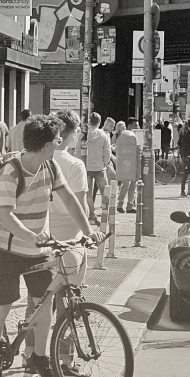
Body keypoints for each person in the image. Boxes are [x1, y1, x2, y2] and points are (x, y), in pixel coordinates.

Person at [0, 115, 94, 377]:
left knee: (45, 302)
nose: (58, 144)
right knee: (2, 307)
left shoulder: (50, 166)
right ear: (45, 145)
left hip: (39, 251)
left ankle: (40, 357)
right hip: (6, 250)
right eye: (55, 141)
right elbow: (5, 215)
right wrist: (32, 236)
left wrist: (87, 231)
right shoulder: (11, 172)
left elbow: (69, 199)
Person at [52, 111, 107, 269]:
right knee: (73, 285)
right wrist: (88, 232)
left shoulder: (39, 158)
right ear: (73, 133)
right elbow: (79, 203)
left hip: (40, 230)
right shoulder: (75, 165)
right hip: (69, 233)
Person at [84, 112, 113, 222]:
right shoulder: (104, 135)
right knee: (104, 192)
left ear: (89, 122)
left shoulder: (84, 135)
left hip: (87, 167)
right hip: (100, 168)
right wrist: (105, 163)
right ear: (99, 122)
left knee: (88, 193)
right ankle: (108, 216)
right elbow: (107, 152)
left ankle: (91, 215)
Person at [115, 120, 140, 212]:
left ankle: (130, 205)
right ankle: (120, 204)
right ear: (130, 125)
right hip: (126, 163)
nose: (137, 127)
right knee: (126, 183)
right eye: (135, 125)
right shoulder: (123, 136)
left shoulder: (135, 136)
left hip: (133, 162)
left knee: (133, 184)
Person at [176, 115, 190, 196]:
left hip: (184, 156)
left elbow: (179, 144)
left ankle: (183, 191)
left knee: (185, 173)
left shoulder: (182, 134)